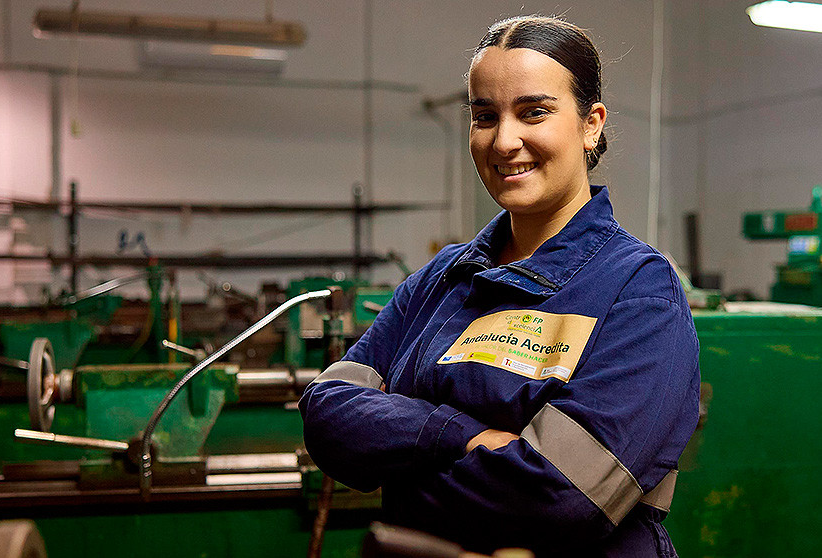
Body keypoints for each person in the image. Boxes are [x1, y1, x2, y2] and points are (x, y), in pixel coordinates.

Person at [299, 15, 699, 558]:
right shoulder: (442, 279)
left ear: (591, 124)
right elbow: (327, 412)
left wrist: (398, 461)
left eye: (534, 112)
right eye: (485, 116)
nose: (505, 141)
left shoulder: (638, 291)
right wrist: (459, 436)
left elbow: (558, 498)